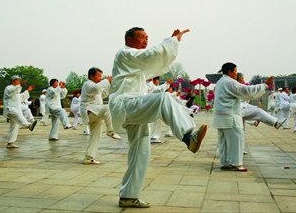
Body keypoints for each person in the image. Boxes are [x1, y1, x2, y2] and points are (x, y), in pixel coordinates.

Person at [109, 27, 207, 208]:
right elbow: (151, 56)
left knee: (141, 153)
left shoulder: (135, 65)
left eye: (147, 37)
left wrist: (170, 45)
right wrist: (172, 42)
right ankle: (188, 135)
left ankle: (128, 195)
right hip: (126, 104)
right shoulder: (125, 53)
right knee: (164, 98)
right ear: (128, 40)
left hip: (134, 106)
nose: (145, 40)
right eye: (141, 37)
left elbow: (154, 63)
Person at [213, 62, 273, 172]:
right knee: (237, 139)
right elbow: (246, 91)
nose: (236, 74)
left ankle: (225, 162)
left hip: (220, 116)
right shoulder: (229, 82)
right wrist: (264, 85)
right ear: (230, 72)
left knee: (224, 142)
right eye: (235, 71)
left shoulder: (221, 82)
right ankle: (237, 163)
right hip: (230, 116)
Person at [80, 67, 121, 164]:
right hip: (90, 111)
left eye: (101, 77)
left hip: (96, 112)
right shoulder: (88, 84)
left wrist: (109, 84)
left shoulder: (95, 86)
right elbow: (96, 88)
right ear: (91, 76)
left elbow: (103, 94)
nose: (100, 78)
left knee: (96, 136)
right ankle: (110, 131)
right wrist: (107, 80)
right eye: (98, 76)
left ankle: (89, 157)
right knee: (108, 107)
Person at [3, 76, 38, 148]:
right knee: (18, 115)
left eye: (19, 81)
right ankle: (28, 125)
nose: (19, 82)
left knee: (14, 126)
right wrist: (21, 85)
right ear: (13, 81)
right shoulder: (8, 88)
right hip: (10, 109)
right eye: (18, 81)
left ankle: (10, 143)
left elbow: (22, 97)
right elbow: (12, 90)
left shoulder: (16, 92)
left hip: (15, 109)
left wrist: (28, 90)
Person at [147, 77, 173, 144]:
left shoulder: (153, 85)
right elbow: (157, 90)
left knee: (157, 122)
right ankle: (153, 136)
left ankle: (154, 136)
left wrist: (166, 84)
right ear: (154, 80)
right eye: (158, 80)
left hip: (155, 107)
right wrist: (166, 84)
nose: (158, 81)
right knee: (153, 123)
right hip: (151, 107)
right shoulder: (150, 85)